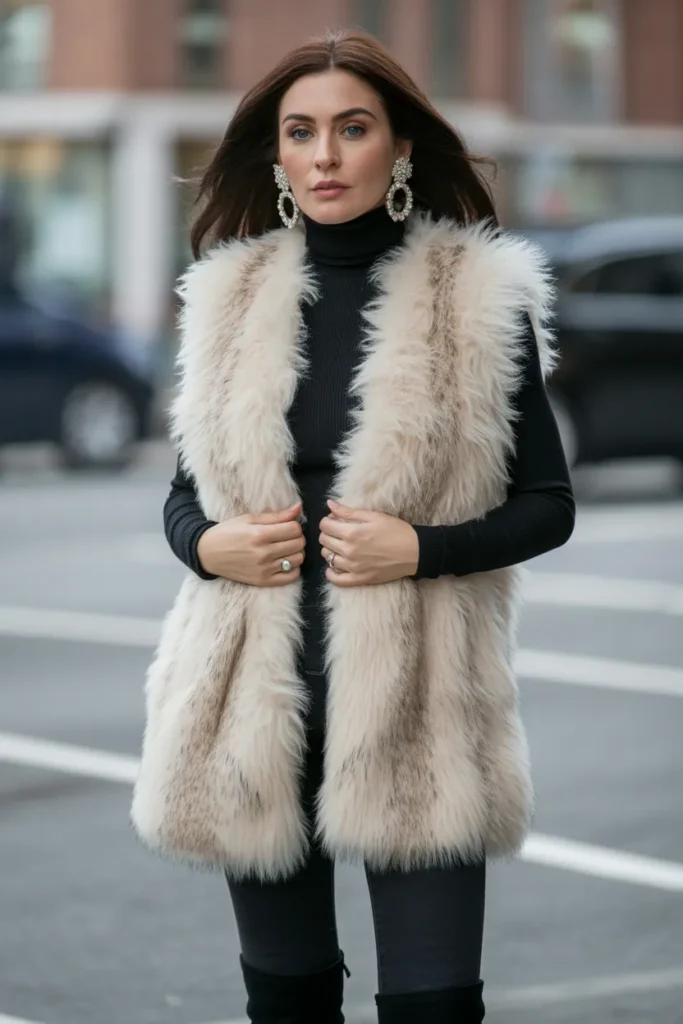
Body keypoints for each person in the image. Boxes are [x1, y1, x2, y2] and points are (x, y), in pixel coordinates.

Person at [131, 29, 575, 1024]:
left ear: (400, 147)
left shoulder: (478, 297)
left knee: (432, 1006)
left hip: (421, 701)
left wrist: (422, 549)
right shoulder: (225, 299)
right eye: (301, 132)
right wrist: (208, 545)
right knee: (286, 1004)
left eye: (351, 128)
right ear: (277, 156)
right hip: (252, 699)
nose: (325, 154)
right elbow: (180, 496)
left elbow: (548, 504)